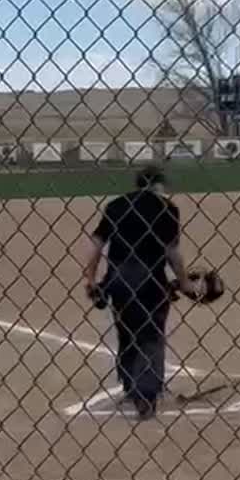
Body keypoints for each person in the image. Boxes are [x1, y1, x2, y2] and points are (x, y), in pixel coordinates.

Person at [82, 165, 186, 421]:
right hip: (151, 279)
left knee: (126, 330)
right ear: (158, 185)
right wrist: (182, 281)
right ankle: (147, 395)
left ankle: (130, 385)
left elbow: (96, 244)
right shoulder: (167, 209)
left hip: (118, 278)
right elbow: (172, 252)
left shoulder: (116, 206)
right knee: (151, 334)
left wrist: (90, 278)